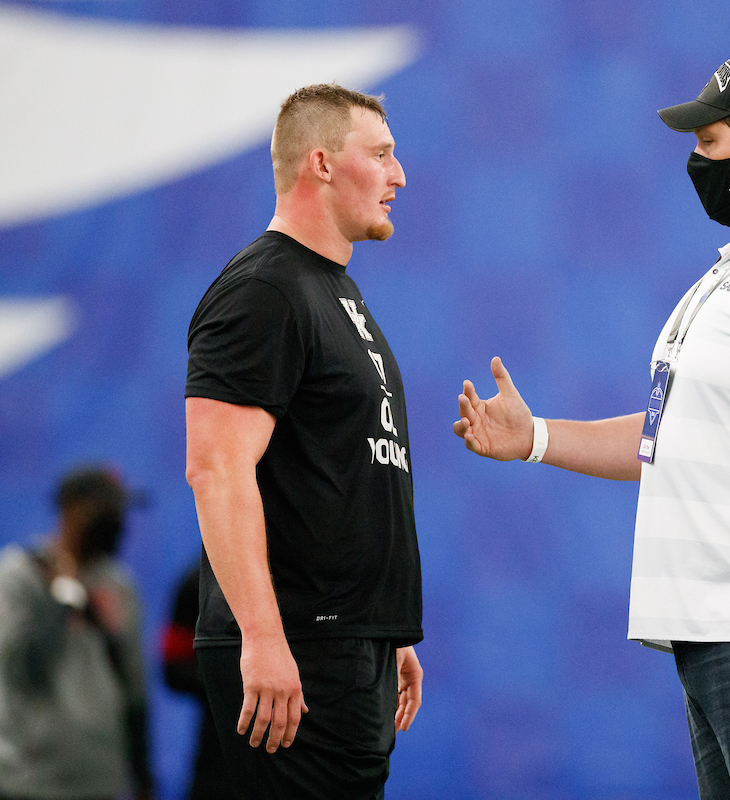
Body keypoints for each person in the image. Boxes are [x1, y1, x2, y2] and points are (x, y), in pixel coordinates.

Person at [454, 56, 730, 799]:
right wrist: (535, 437)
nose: (695, 161)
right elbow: (677, 435)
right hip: (727, 632)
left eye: (709, 142)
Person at [184, 84, 423, 800]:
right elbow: (216, 468)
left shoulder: (333, 292)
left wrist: (385, 630)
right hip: (297, 651)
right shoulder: (264, 290)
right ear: (321, 163)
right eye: (380, 154)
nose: (399, 174)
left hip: (346, 646)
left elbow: (336, 474)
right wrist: (262, 638)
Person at [0, 465, 154, 800]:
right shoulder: (19, 576)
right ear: (72, 509)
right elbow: (24, 667)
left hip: (99, 778)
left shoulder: (118, 584)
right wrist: (66, 593)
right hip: (28, 779)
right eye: (106, 509)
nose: (117, 521)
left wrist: (143, 772)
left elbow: (133, 683)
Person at [161, 561, 236, 800]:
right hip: (218, 757)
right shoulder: (198, 582)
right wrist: (232, 683)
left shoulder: (296, 579)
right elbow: (173, 668)